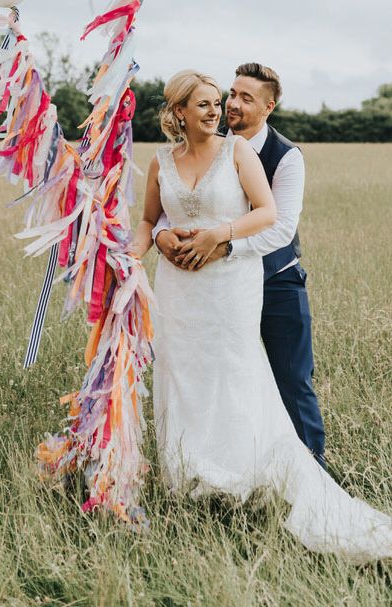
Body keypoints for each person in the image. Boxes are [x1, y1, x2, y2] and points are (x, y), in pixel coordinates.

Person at [130, 69, 392, 561]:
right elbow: (155, 218)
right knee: (184, 375)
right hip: (180, 287)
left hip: (252, 282)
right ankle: (194, 478)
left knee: (271, 379)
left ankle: (281, 474)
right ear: (179, 112)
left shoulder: (264, 154)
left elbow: (275, 220)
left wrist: (222, 239)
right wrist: (150, 242)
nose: (223, 108)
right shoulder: (162, 160)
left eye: (232, 99)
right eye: (215, 100)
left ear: (267, 106)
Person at [153, 63, 326, 468]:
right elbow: (175, 204)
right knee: (222, 376)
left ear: (269, 107)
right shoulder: (206, 140)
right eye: (232, 93)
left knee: (293, 380)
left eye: (245, 98)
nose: (231, 105)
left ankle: (312, 468)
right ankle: (223, 464)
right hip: (215, 287)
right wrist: (162, 236)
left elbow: (281, 228)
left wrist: (227, 246)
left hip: (278, 280)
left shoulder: (287, 157)